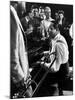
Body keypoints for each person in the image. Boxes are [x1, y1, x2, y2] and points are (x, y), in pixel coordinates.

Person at [40, 22, 69, 96]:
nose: (48, 31)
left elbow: (54, 68)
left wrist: (42, 64)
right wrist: (46, 54)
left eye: (51, 29)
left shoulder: (58, 43)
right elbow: (54, 53)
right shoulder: (58, 38)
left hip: (61, 72)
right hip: (61, 68)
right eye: (48, 29)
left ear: (57, 30)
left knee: (40, 79)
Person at [10, 5, 32, 98]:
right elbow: (11, 52)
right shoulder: (9, 12)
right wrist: (20, 78)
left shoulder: (12, 11)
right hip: (17, 79)